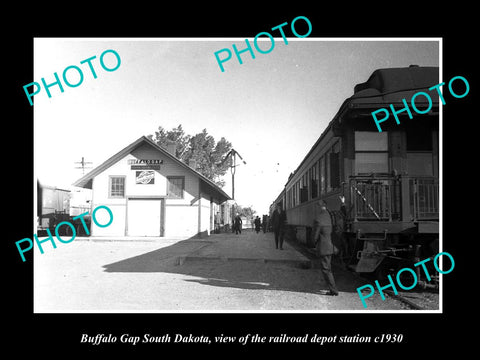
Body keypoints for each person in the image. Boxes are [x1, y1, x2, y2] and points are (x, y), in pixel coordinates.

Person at [313, 199, 339, 296]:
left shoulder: (319, 219)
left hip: (324, 247)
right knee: (328, 268)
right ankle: (332, 288)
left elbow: (314, 236)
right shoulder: (330, 215)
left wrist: (314, 243)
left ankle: (333, 290)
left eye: (318, 206)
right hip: (331, 246)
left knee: (326, 269)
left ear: (320, 207)